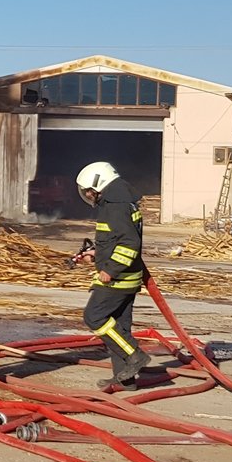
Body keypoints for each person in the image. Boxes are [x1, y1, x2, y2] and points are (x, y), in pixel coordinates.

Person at [74, 161, 151, 390]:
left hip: (118, 279)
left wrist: (110, 269)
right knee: (119, 326)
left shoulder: (115, 207)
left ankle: (135, 356)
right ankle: (125, 379)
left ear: (99, 184)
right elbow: (116, 240)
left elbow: (129, 243)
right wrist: (97, 254)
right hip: (128, 278)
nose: (88, 194)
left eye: (89, 190)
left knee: (94, 317)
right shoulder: (122, 202)